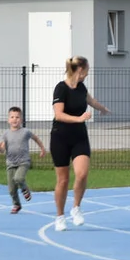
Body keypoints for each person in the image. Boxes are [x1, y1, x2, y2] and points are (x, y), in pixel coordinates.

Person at [50, 56, 110, 231]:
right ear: (80, 70)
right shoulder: (61, 89)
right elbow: (58, 115)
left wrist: (103, 109)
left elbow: (90, 100)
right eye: (87, 70)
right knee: (63, 180)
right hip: (60, 137)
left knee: (82, 174)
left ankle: (76, 207)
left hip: (79, 137)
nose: (88, 73)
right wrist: (79, 118)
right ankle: (59, 216)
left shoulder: (82, 87)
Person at [0, 106, 46, 213]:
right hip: (10, 163)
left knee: (18, 178)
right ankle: (17, 205)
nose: (15, 119)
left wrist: (42, 149)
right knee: (11, 189)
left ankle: (25, 189)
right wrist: (0, 148)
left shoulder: (25, 132)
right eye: (12, 117)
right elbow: (3, 149)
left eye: (17, 117)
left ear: (21, 120)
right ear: (8, 120)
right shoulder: (6, 134)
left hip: (23, 162)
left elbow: (36, 138)